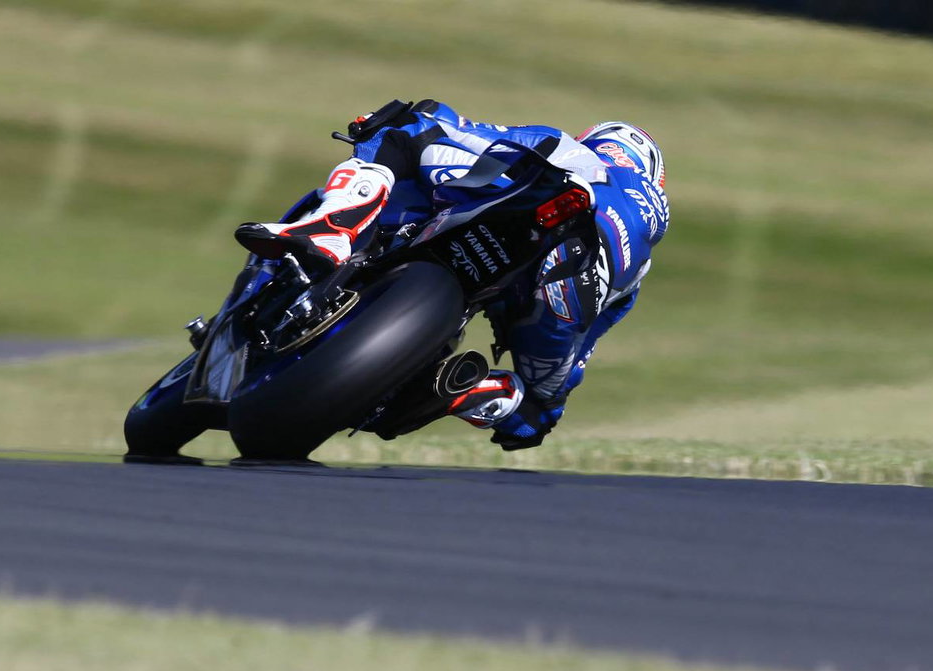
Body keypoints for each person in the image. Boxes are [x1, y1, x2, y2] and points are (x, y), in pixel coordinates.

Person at [234, 100, 669, 451]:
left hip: (539, 210)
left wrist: (394, 120)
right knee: (532, 409)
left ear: (599, 141)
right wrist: (537, 417)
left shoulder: (567, 148)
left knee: (408, 129)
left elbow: (469, 132)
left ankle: (333, 227)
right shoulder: (642, 255)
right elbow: (579, 353)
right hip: (576, 285)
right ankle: (463, 390)